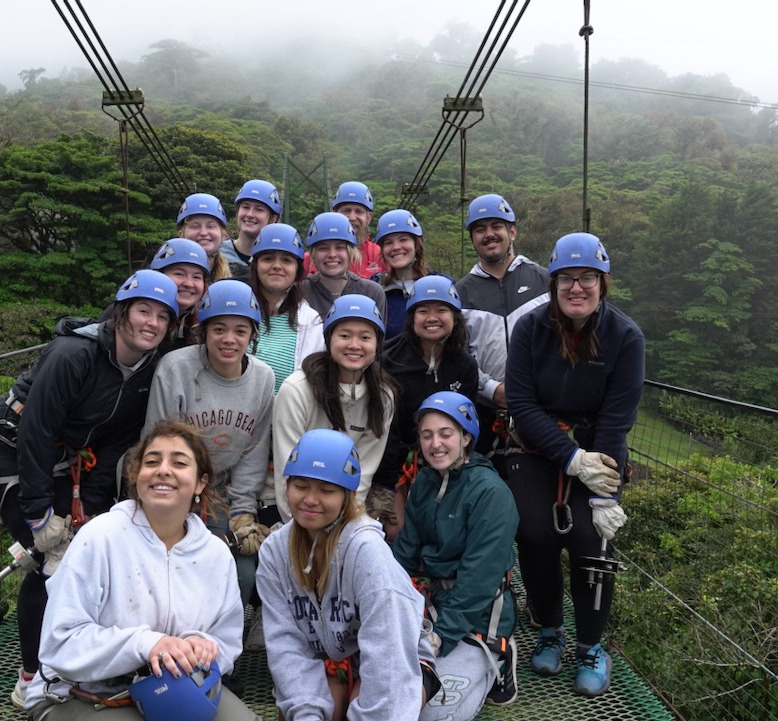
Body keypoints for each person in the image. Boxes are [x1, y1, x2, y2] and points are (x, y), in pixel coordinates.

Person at [0, 269, 179, 708]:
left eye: (163, 316)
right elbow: (37, 430)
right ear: (121, 312)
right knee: (54, 561)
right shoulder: (73, 355)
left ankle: (74, 665)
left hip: (68, 461)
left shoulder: (146, 371)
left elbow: (114, 443)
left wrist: (95, 508)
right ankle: (35, 678)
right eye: (143, 310)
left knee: (87, 548)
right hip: (10, 454)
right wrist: (39, 513)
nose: (152, 323)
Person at [21, 419, 260, 721]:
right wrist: (146, 645)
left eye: (179, 462)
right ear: (137, 477)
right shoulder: (100, 537)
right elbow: (61, 643)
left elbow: (225, 640)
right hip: (81, 691)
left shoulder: (215, 555)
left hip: (177, 687)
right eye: (152, 461)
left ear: (201, 482)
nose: (163, 470)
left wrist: (203, 647)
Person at [505, 231, 645, 696]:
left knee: (591, 542)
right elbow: (522, 405)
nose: (576, 288)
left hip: (599, 447)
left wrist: (604, 491)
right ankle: (549, 630)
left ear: (602, 283)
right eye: (566, 278)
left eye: (587, 278)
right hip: (539, 447)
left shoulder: (624, 337)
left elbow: (617, 418)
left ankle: (590, 645)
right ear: (553, 284)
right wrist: (569, 458)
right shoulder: (530, 330)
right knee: (535, 533)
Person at [256, 429, 437, 721]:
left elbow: (388, 656)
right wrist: (306, 713)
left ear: (348, 496)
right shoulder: (275, 552)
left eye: (327, 491)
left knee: (367, 708)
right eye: (301, 485)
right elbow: (286, 645)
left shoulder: (368, 551)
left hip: (399, 662)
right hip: (332, 661)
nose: (310, 500)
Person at [144, 279, 276, 608]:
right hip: (173, 488)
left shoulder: (262, 378)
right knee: (172, 572)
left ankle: (219, 651)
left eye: (240, 330)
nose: (229, 340)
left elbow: (254, 451)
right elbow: (156, 444)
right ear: (203, 331)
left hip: (221, 493)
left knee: (242, 574)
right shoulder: (176, 368)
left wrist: (243, 514)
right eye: (219, 329)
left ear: (252, 335)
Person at [393, 392, 521, 715]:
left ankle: (498, 661)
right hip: (431, 602)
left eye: (446, 434)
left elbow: (478, 582)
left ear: (466, 437)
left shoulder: (491, 495)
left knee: (434, 712)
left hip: (476, 616)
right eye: (427, 435)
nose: (435, 444)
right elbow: (404, 554)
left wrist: (439, 639)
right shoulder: (424, 482)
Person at [269, 294, 397, 522]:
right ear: (328, 340)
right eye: (344, 335)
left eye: (365, 337)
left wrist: (345, 524)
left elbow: (363, 472)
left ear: (377, 344)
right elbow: (285, 468)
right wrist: (298, 528)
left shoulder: (383, 396)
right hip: (290, 507)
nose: (354, 345)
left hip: (341, 509)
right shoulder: (297, 390)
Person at [371, 275, 478, 540]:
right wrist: (385, 484)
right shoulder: (388, 361)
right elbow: (385, 427)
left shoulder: (464, 365)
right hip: (397, 463)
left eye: (441, 310)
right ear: (412, 317)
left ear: (455, 317)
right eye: (423, 310)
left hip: (446, 459)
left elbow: (467, 424)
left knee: (447, 528)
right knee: (397, 530)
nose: (432, 317)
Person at [456, 193, 549, 467]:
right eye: (480, 229)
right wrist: (491, 388)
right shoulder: (461, 293)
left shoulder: (545, 280)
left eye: (496, 226)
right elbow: (457, 355)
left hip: (543, 410)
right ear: (472, 238)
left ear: (513, 231)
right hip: (484, 416)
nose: (489, 235)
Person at [247, 222, 325, 393]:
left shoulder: (311, 322)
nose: (277, 265)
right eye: (268, 258)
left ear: (297, 270)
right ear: (256, 265)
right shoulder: (238, 310)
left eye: (286, 260)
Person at [95, 239, 208, 355]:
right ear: (158, 274)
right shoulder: (124, 310)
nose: (189, 283)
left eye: (196, 277)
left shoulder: (203, 322)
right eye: (179, 274)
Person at [368, 209, 448, 340]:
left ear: (416, 245)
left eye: (403, 239)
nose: (396, 247)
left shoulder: (442, 285)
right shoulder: (375, 288)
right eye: (388, 242)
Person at [299, 211, 386, 322]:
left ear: (351, 253)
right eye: (323, 248)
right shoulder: (300, 293)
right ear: (312, 254)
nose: (332, 255)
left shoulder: (372, 293)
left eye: (340, 248)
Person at [304, 181, 385, 278]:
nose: (352, 217)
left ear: (369, 217)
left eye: (359, 212)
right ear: (334, 213)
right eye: (346, 211)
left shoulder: (380, 255)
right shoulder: (310, 258)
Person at [221, 179, 282, 280]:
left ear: (273, 219)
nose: (250, 214)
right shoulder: (218, 253)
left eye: (259, 209)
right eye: (245, 207)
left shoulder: (277, 263)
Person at [178, 192, 232, 281]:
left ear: (223, 235)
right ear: (181, 235)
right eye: (195, 226)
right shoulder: (164, 274)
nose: (203, 233)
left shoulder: (239, 277)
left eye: (210, 226)